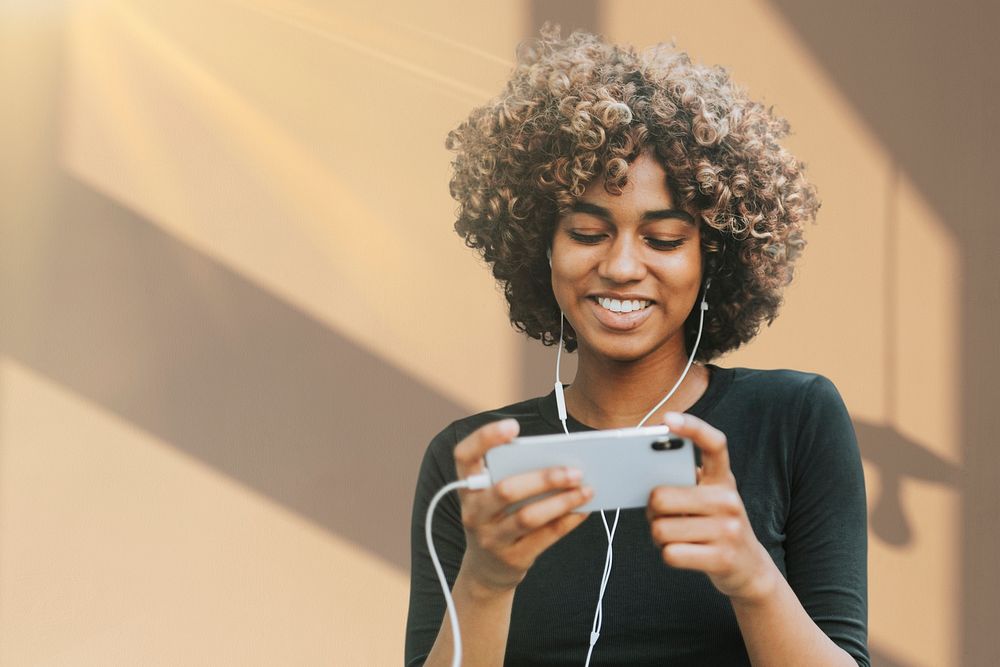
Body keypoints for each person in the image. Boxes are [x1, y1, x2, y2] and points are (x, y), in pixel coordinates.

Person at [405, 27, 868, 667]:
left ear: (713, 257)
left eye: (665, 239)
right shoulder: (474, 465)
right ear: (541, 248)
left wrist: (751, 576)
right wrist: (485, 582)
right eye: (589, 232)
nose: (622, 266)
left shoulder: (795, 420)